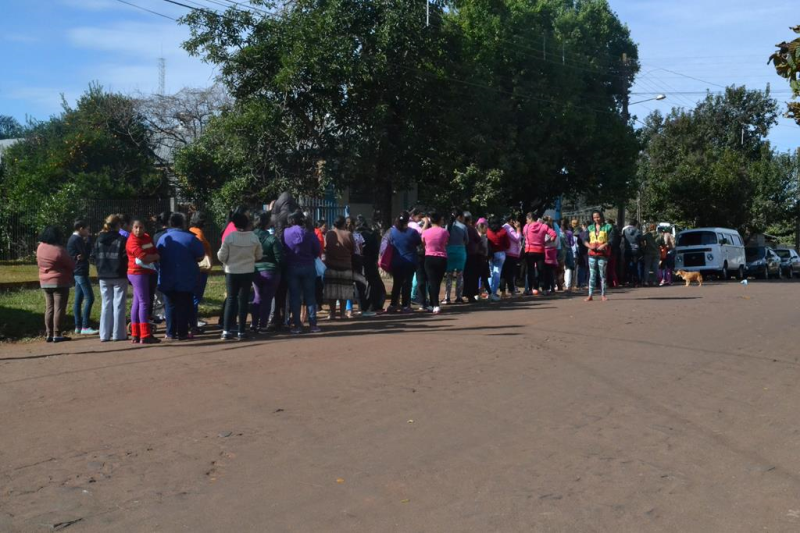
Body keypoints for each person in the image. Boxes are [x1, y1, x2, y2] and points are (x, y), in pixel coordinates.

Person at [158, 213, 205, 340]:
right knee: (184, 305)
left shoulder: (163, 238)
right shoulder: (191, 238)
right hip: (186, 278)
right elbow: (201, 255)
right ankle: (183, 332)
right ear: (183, 223)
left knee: (170, 305)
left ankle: (170, 332)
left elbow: (158, 255)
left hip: (167, 277)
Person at [217, 211, 261, 340]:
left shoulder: (230, 237)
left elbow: (221, 256)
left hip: (231, 271)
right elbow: (259, 255)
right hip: (247, 271)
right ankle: (241, 331)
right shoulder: (253, 237)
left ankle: (226, 330)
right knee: (243, 300)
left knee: (231, 299)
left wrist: (229, 261)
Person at [282, 209, 322, 333]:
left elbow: (283, 248)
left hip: (292, 267)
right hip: (308, 266)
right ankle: (313, 325)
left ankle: (297, 325)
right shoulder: (309, 232)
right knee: (310, 296)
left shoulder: (285, 232)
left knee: (295, 297)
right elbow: (317, 249)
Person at [92, 215, 128, 342]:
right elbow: (126, 257)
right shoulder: (122, 239)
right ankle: (118, 334)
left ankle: (104, 334)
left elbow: (93, 256)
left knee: (106, 304)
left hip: (103, 275)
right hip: (119, 274)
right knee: (119, 304)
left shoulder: (99, 239)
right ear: (118, 225)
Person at [36, 226, 75, 343]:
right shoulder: (59, 250)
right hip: (59, 281)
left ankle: (49, 333)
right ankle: (57, 334)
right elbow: (71, 264)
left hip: (44, 281)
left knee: (49, 308)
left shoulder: (40, 247)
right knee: (59, 308)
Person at [127, 219, 161, 344]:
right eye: (136, 227)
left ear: (144, 228)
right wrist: (155, 257)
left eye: (141, 227)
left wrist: (153, 256)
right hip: (137, 273)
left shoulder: (147, 237)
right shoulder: (132, 241)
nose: (138, 230)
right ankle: (145, 335)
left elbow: (153, 251)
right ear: (131, 228)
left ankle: (136, 334)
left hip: (146, 272)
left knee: (137, 303)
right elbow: (144, 257)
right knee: (144, 302)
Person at [250, 211, 283, 333]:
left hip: (254, 270)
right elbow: (279, 258)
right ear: (267, 223)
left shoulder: (250, 236)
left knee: (257, 297)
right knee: (267, 299)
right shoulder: (272, 239)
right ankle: (263, 324)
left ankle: (253, 324)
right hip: (270, 271)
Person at [383, 211, 421, 313]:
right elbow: (418, 242)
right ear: (408, 220)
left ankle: (393, 305)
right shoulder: (413, 232)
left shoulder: (392, 232)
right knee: (407, 284)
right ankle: (405, 306)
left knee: (396, 284)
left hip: (396, 261)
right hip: (410, 262)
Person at [67, 219, 97, 335]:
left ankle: (78, 326)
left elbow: (81, 255)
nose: (88, 232)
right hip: (80, 271)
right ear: (81, 228)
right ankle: (85, 326)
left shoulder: (73, 238)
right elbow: (85, 254)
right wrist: (88, 240)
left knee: (78, 299)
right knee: (90, 298)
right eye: (87, 229)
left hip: (77, 271)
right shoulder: (77, 239)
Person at [323, 216, 356, 319]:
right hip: (345, 265)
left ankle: (332, 313)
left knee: (332, 291)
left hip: (331, 265)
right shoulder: (348, 234)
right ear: (343, 224)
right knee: (344, 290)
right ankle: (342, 313)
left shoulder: (329, 234)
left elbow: (325, 248)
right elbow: (353, 249)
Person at [188, 211, 213, 334]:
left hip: (193, 269)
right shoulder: (198, 233)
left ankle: (191, 322)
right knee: (195, 297)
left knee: (192, 297)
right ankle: (193, 324)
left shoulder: (190, 230)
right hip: (200, 269)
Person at [355, 215, 385, 315]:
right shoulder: (371, 234)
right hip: (370, 262)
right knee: (373, 284)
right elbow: (375, 249)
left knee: (360, 285)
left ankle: (362, 306)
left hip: (358, 262)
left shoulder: (354, 234)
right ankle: (373, 305)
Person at [584, 210, 615, 302]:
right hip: (592, 254)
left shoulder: (608, 227)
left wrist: (604, 245)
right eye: (594, 217)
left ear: (601, 217)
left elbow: (612, 239)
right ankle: (590, 295)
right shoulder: (590, 228)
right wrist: (589, 246)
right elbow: (584, 239)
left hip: (603, 255)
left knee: (603, 275)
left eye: (598, 217)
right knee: (592, 275)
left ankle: (603, 295)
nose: (596, 219)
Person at [422, 212, 449, 314]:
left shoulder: (425, 232)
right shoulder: (444, 232)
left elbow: (423, 242)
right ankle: (435, 304)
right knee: (437, 282)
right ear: (439, 220)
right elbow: (446, 242)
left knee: (431, 282)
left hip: (429, 257)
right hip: (441, 258)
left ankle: (432, 304)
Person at [523, 212, 555, 296]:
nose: (526, 221)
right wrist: (546, 242)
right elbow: (554, 234)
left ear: (530, 219)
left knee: (530, 271)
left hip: (529, 251)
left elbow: (524, 235)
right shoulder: (543, 226)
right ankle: (544, 289)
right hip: (540, 251)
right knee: (541, 271)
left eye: (527, 219)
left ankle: (530, 289)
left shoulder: (526, 227)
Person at [443, 209, 468, 305]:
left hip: (449, 251)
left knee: (449, 276)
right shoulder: (463, 227)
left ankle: (447, 297)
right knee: (460, 275)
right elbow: (467, 240)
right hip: (460, 251)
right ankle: (459, 297)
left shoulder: (447, 226)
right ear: (460, 217)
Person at [486, 216, 510, 302]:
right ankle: (493, 292)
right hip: (500, 253)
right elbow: (508, 245)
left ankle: (489, 292)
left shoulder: (487, 231)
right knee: (497, 274)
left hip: (490, 254)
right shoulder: (503, 231)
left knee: (490, 273)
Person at [500, 214, 522, 297]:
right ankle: (511, 291)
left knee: (504, 273)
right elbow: (517, 238)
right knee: (510, 273)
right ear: (511, 220)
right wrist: (518, 229)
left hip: (506, 252)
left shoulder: (503, 227)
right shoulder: (508, 228)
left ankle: (503, 292)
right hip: (511, 253)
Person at [462, 212, 482, 302]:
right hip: (471, 254)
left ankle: (462, 294)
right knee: (472, 275)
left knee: (464, 275)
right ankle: (471, 295)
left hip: (463, 253)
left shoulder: (460, 228)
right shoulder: (471, 228)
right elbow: (478, 239)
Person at [622, 220, 643, 287]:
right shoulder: (638, 231)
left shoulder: (625, 231)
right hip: (635, 250)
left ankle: (626, 281)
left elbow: (623, 239)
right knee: (635, 266)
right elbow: (640, 241)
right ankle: (636, 282)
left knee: (626, 265)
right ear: (635, 224)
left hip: (627, 249)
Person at [476, 218, 491, 298]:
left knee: (482, 278)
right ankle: (488, 293)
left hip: (481, 259)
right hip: (481, 259)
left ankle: (479, 293)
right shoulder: (482, 236)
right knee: (483, 277)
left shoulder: (481, 236)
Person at [561, 219, 576, 292]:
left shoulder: (558, 232)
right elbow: (572, 243)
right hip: (568, 250)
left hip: (560, 251)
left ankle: (558, 285)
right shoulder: (569, 233)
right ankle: (568, 285)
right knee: (568, 268)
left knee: (560, 268)